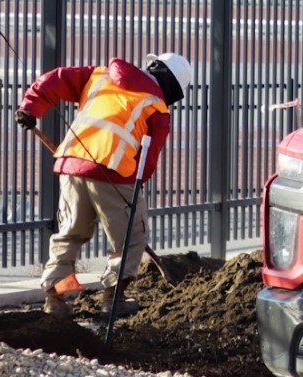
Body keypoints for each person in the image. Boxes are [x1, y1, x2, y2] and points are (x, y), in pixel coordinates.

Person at [14, 53, 192, 317]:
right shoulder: (157, 108)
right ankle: (113, 298)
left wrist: (30, 108)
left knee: (70, 232)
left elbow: (56, 78)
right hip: (115, 172)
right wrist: (135, 187)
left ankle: (56, 300)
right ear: (170, 84)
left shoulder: (100, 75)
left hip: (72, 163)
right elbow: (148, 158)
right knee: (132, 237)